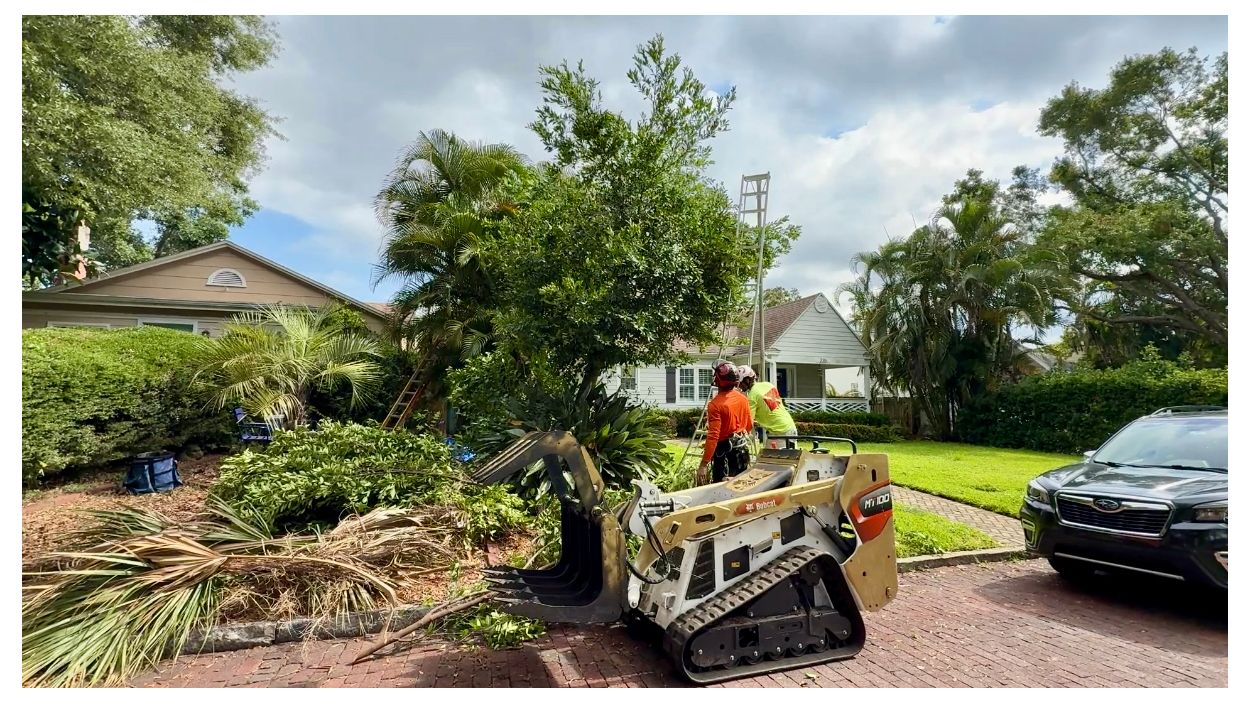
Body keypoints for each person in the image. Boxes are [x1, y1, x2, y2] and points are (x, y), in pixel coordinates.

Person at [697, 361, 754, 485]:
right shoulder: (743, 399)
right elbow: (749, 425)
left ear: (717, 380)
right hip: (742, 451)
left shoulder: (715, 405)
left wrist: (704, 464)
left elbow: (713, 436)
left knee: (722, 490)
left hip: (724, 455)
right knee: (742, 488)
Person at [737, 365, 798, 444]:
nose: (739, 386)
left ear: (747, 380)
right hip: (789, 426)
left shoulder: (752, 396)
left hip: (779, 432)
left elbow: (748, 422)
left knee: (768, 453)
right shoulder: (768, 385)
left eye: (740, 383)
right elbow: (771, 409)